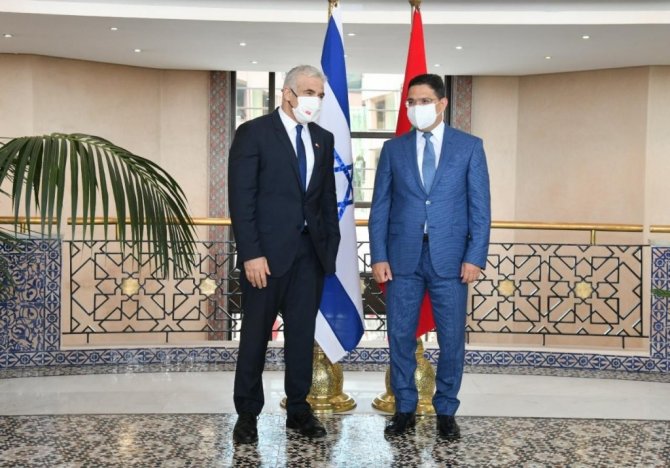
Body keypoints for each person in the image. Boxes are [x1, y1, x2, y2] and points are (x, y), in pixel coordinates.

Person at [369, 73, 491, 440]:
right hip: (401, 258)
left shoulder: (469, 147)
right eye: (411, 102)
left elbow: (480, 208)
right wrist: (378, 255)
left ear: (442, 104)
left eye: (423, 101)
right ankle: (404, 408)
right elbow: (380, 206)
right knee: (399, 335)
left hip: (451, 259)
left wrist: (475, 256)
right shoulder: (394, 149)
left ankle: (446, 410)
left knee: (452, 338)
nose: (416, 108)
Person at [228, 65, 341, 444]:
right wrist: (251, 254)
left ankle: (298, 409)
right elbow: (241, 199)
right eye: (309, 92)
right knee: (255, 337)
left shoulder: (323, 139)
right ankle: (247, 414)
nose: (315, 101)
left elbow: (326, 200)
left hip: (309, 257)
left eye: (320, 95)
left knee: (301, 337)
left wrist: (329, 250)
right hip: (264, 258)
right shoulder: (254, 133)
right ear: (288, 94)